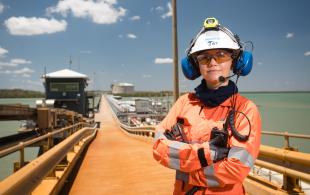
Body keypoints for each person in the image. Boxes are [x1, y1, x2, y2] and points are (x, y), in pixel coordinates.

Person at [153, 17, 261, 195]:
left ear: (235, 61)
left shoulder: (246, 109)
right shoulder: (184, 103)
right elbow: (158, 148)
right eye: (204, 58)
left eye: (221, 55)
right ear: (195, 66)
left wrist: (187, 172)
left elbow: (236, 169)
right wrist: (210, 153)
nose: (212, 63)